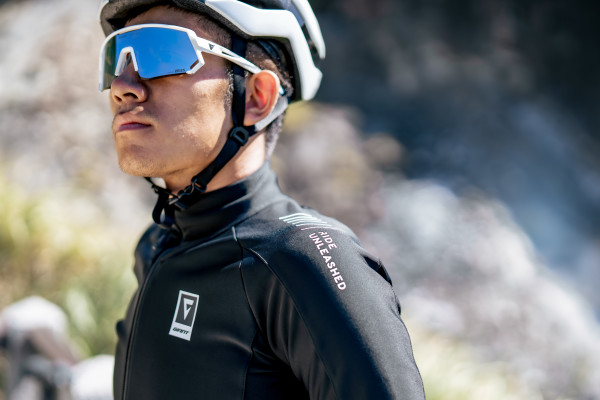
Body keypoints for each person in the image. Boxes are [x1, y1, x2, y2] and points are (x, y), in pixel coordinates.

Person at [97, 0, 425, 399]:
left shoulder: (303, 261)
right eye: (117, 57)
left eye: (162, 53)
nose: (122, 86)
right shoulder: (157, 244)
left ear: (257, 97)